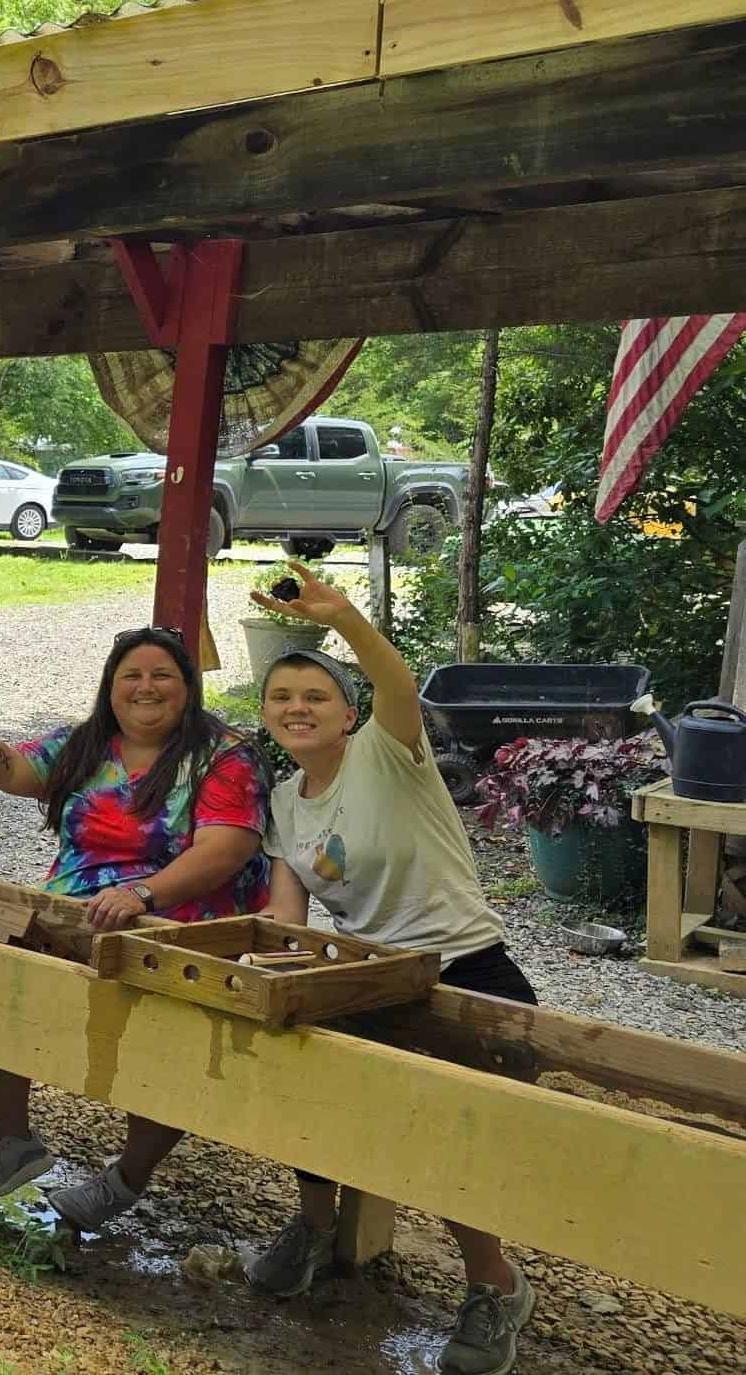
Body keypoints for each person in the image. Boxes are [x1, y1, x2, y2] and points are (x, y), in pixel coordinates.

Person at [248, 561, 536, 1375]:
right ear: (267, 715)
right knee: (305, 1074)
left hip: (466, 966)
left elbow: (394, 680)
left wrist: (344, 619)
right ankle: (315, 1227)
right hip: (368, 975)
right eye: (282, 698)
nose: (297, 709)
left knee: (443, 1133)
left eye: (315, 697)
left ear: (347, 713)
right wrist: (268, 964)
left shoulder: (389, 746)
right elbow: (286, 914)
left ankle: (494, 1284)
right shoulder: (284, 801)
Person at [0, 625, 273, 1227]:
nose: (146, 688)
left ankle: (126, 1179)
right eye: (132, 677)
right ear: (111, 688)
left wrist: (142, 892)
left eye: (161, 675)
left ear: (188, 687)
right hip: (77, 910)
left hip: (180, 923)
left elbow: (228, 847)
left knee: (165, 1049)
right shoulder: (86, 744)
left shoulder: (223, 755)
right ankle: (13, 1140)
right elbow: (14, 771)